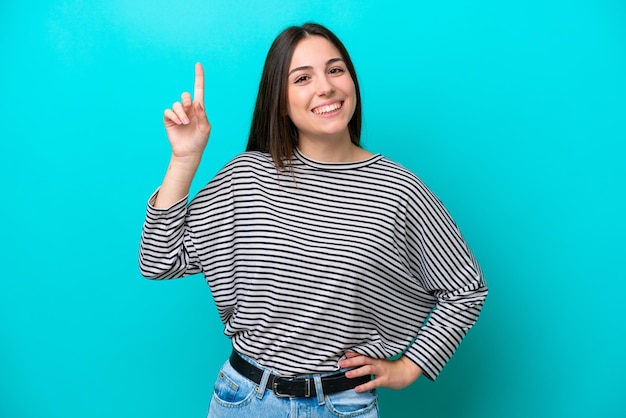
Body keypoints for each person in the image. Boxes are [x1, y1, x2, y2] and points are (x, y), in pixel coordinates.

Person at [139, 22, 488, 418]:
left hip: (343, 405)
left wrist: (409, 367)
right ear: (280, 100)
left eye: (335, 70)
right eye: (302, 78)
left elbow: (466, 289)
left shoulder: (398, 189)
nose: (325, 87)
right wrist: (185, 159)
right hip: (244, 400)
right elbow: (158, 261)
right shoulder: (246, 177)